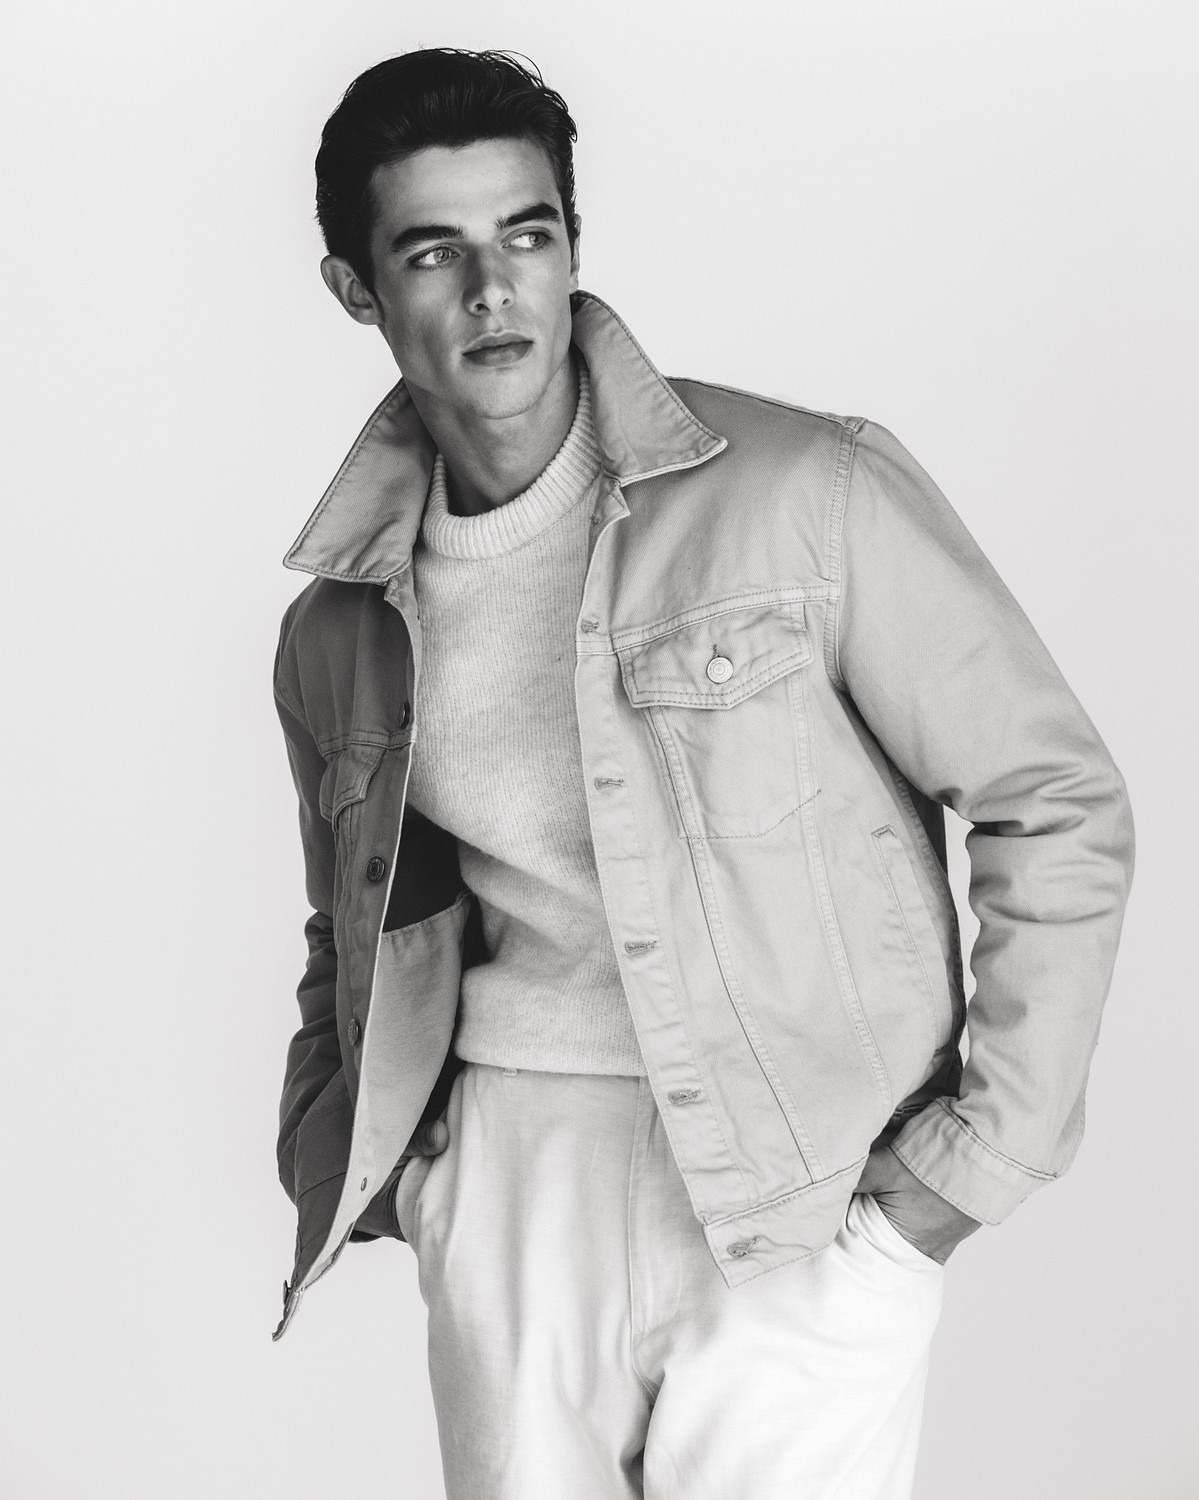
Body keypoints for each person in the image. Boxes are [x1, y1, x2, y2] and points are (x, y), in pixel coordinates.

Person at [269, 47, 1135, 1500]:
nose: (493, 289)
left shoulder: (804, 493)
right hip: (513, 1176)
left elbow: (1054, 800)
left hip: (799, 1190)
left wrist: (967, 1168)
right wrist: (376, 1167)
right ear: (358, 290)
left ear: (571, 247)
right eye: (433, 252)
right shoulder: (341, 628)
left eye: (527, 234)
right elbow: (352, 934)